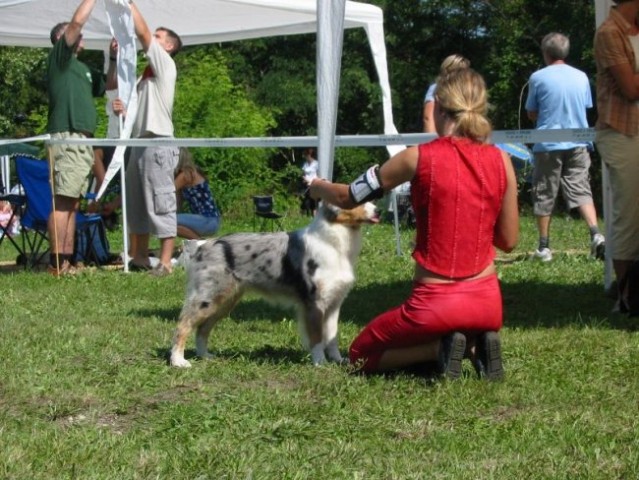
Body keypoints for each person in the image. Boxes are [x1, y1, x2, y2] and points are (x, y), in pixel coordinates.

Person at [310, 68, 519, 380]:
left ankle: (441, 348)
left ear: (437, 106)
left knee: (359, 355)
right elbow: (509, 240)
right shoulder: (501, 160)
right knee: (460, 319)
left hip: (434, 303)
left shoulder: (415, 157)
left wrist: (318, 185)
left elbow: (348, 197)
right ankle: (476, 341)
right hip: (488, 302)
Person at [112, 2, 182, 276]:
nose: (152, 39)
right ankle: (140, 258)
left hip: (158, 142)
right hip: (140, 143)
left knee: (161, 201)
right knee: (138, 202)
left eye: (158, 37)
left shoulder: (166, 64)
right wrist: (125, 110)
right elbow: (140, 113)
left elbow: (141, 34)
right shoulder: (147, 76)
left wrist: (129, 5)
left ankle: (165, 263)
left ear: (168, 47)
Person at [46, 0, 115, 276]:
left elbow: (109, 84)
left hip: (83, 140)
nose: (81, 38)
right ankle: (57, 263)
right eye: (76, 35)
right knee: (63, 201)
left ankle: (68, 260)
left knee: (73, 202)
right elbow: (76, 23)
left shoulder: (82, 69)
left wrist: (114, 57)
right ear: (62, 39)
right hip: (68, 135)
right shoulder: (60, 61)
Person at [525, 32, 605, 263]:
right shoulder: (581, 77)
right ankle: (596, 234)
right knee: (581, 188)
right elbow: (586, 106)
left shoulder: (537, 77)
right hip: (579, 140)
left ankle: (544, 247)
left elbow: (532, 112)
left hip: (548, 143)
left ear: (546, 53)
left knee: (544, 191)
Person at [594, 0, 639, 311]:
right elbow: (631, 89)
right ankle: (627, 298)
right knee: (628, 216)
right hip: (623, 134)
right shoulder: (609, 32)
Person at [174, 148, 221, 239]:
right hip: (210, 220)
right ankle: (200, 243)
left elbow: (167, 192)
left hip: (207, 220)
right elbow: (177, 203)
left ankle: (200, 243)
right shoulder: (191, 172)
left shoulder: (186, 174)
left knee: (168, 222)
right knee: (170, 223)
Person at [422, 54, 470, 133]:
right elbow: (428, 117)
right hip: (441, 138)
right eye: (459, 70)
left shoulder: (467, 90)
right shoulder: (436, 88)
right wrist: (432, 140)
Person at [300, 148, 319, 216]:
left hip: (313, 184)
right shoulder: (305, 164)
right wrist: (304, 178)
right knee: (305, 201)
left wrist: (311, 181)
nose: (304, 156)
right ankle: (305, 216)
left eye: (305, 155)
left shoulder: (316, 164)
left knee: (313, 202)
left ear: (309, 155)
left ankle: (314, 216)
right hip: (306, 185)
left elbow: (318, 175)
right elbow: (303, 174)